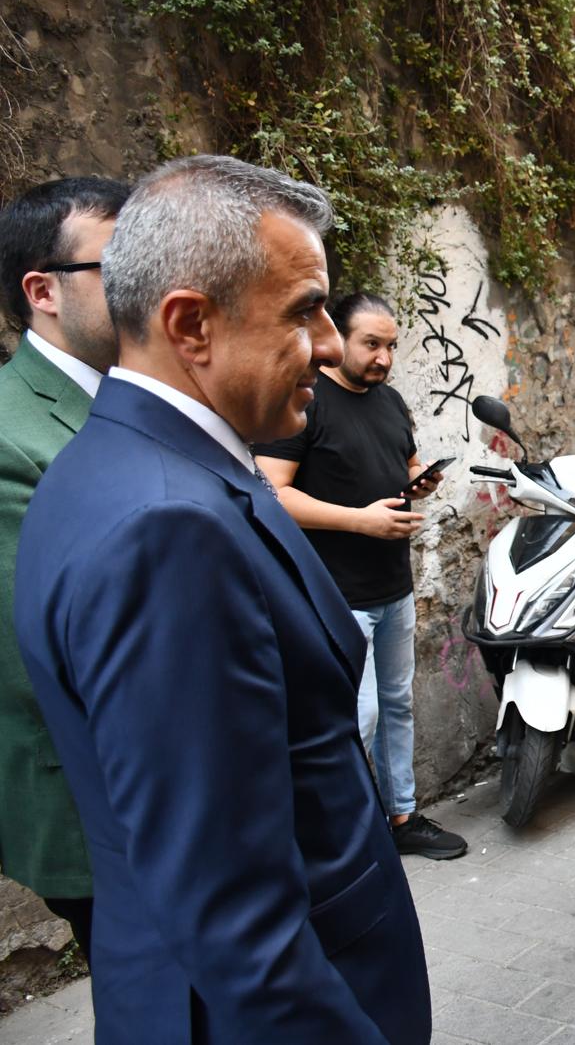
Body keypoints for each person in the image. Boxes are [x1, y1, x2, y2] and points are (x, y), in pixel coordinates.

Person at [12, 155, 429, 1043]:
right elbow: (235, 916)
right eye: (303, 311)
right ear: (191, 325)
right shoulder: (166, 529)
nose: (328, 344)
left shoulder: (132, 462)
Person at [256, 291, 467, 860]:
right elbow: (271, 492)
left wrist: (421, 480)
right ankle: (346, 837)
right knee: (357, 714)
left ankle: (402, 817)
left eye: (391, 346)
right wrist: (359, 520)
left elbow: (407, 464)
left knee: (396, 705)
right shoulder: (304, 399)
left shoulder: (390, 401)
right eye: (371, 344)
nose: (384, 358)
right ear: (337, 338)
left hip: (393, 587)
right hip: (334, 594)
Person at [0, 176, 129, 963]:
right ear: (43, 291)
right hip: (103, 805)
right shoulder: (11, 436)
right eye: (120, 266)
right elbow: (36, 660)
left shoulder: (134, 394)